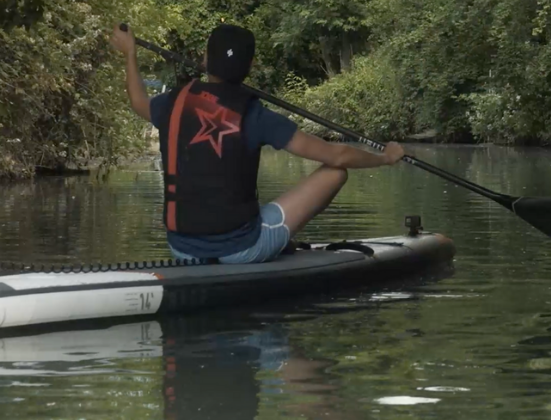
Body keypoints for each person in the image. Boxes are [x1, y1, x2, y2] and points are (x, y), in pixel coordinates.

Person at [109, 22, 404, 264]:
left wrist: (130, 53)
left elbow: (138, 102)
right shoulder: (255, 114)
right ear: (249, 67)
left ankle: (255, 244)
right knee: (335, 172)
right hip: (242, 249)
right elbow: (337, 155)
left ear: (204, 60)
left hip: (182, 249)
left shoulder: (173, 102)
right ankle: (273, 243)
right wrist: (386, 157)